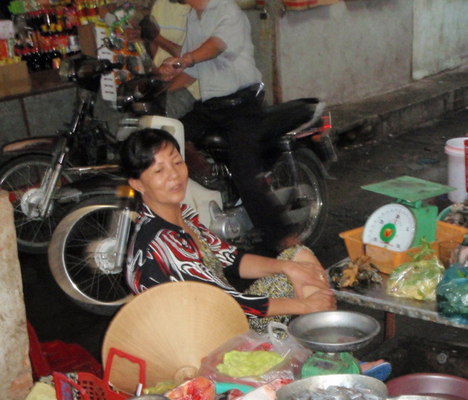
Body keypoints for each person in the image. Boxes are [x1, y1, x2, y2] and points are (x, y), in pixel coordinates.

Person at [122, 128, 335, 332]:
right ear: (137, 184)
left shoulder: (182, 218)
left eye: (177, 162)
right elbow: (225, 302)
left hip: (224, 314)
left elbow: (232, 260)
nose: (174, 175)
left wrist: (288, 268)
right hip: (210, 338)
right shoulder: (160, 243)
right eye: (159, 170)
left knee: (300, 260)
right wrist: (304, 306)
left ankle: (327, 346)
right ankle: (327, 348)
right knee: (309, 288)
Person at [157, 0, 292, 255]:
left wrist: (186, 59)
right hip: (211, 107)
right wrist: (159, 85)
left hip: (242, 106)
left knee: (245, 175)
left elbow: (216, 47)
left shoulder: (227, 10)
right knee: (168, 139)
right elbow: (192, 71)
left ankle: (284, 239)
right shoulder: (193, 17)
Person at [146, 0, 200, 118]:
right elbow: (154, 44)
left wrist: (158, 38)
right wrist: (157, 73)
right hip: (160, 76)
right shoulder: (161, 4)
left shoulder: (202, 9)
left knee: (154, 116)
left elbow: (195, 60)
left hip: (188, 86)